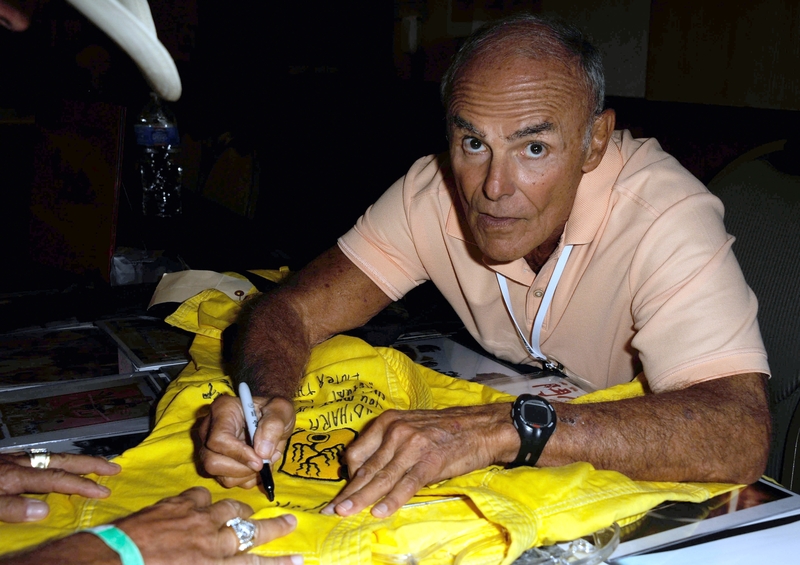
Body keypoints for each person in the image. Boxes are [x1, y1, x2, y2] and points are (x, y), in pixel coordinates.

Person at [198, 12, 772, 520]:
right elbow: (292, 311)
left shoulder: (665, 214)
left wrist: (506, 428)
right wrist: (268, 401)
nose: (494, 189)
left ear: (594, 141)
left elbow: (739, 433)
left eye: (534, 148)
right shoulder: (434, 191)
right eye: (474, 143)